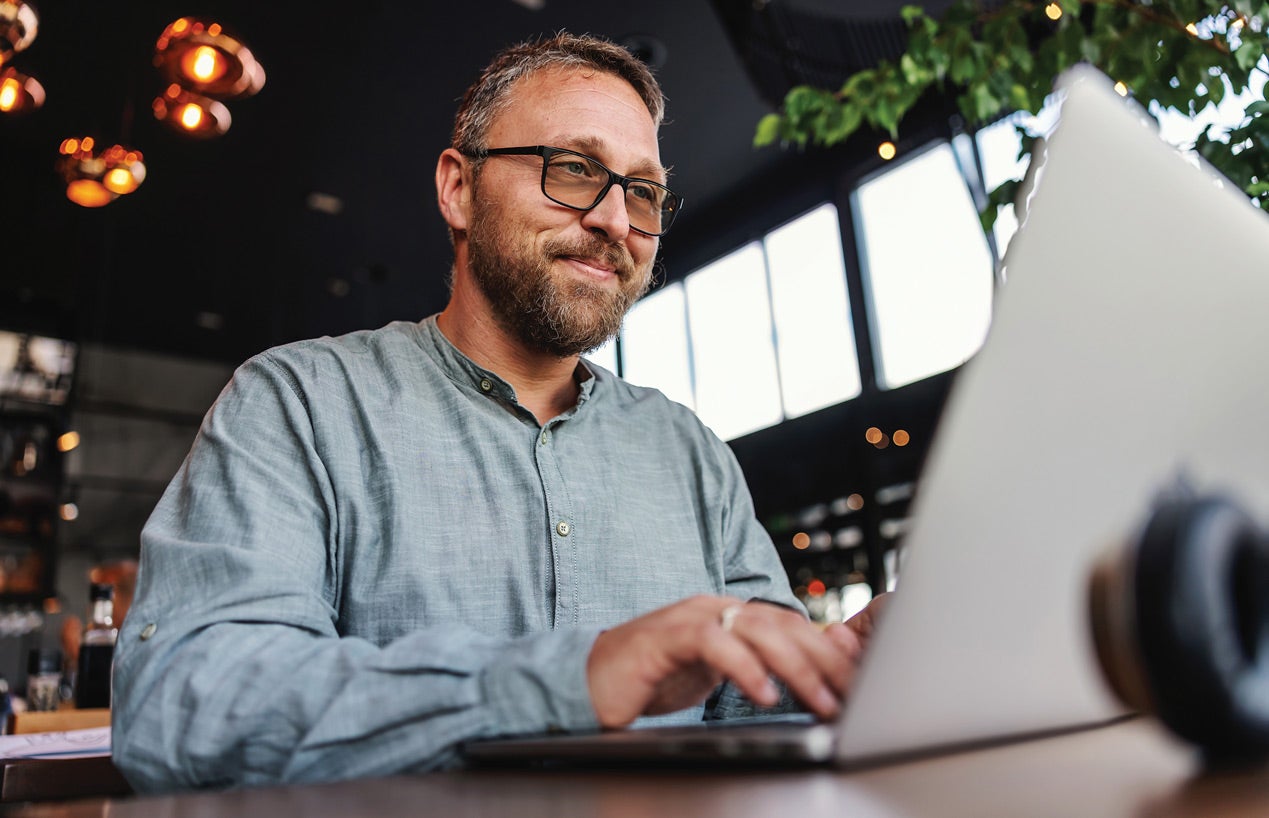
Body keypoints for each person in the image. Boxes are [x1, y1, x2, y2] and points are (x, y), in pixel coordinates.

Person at [112, 31, 884, 793]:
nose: (616, 221)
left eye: (643, 192)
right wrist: (568, 679)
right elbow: (184, 704)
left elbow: (755, 703)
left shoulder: (690, 452)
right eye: (574, 169)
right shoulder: (301, 405)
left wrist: (850, 663)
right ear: (458, 189)